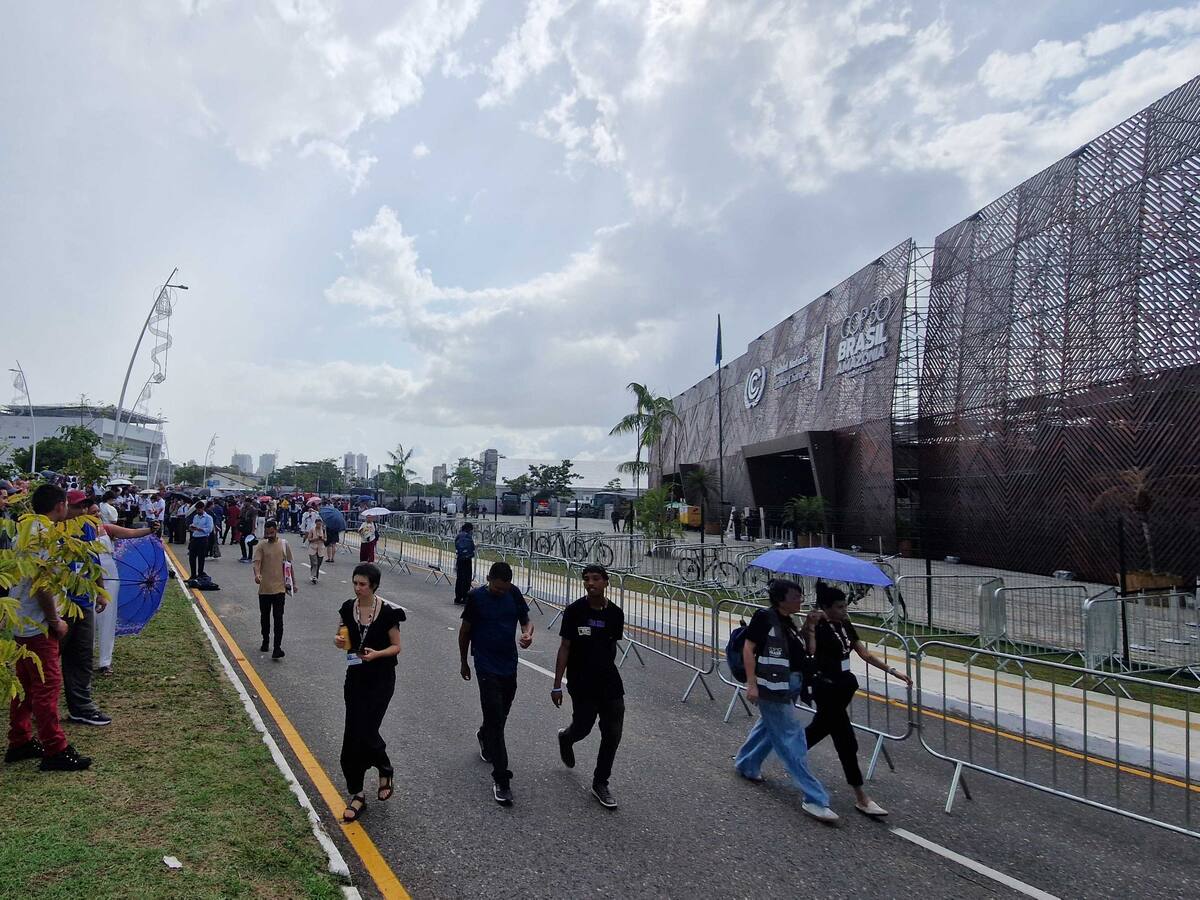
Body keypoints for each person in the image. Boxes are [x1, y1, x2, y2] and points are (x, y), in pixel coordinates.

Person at [733, 578, 837, 823]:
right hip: (771, 686)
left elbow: (807, 650)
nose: (800, 600)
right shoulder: (764, 617)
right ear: (781, 599)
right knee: (792, 739)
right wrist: (751, 684)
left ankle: (747, 763)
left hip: (790, 684)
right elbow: (749, 649)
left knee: (768, 730)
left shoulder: (789, 622)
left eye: (801, 596)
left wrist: (809, 626)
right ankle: (815, 798)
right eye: (796, 596)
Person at [804, 582, 911, 817]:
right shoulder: (816, 625)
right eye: (840, 607)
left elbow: (864, 653)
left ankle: (785, 750)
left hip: (843, 688)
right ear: (826, 607)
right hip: (826, 688)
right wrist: (811, 626)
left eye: (845, 606)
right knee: (846, 741)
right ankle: (861, 797)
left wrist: (893, 671)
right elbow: (810, 652)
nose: (845, 610)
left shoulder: (845, 625)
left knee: (815, 732)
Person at [5, 484, 92, 770]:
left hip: (22, 621)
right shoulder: (44, 535)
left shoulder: (24, 531)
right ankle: (55, 749)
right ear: (59, 506)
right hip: (38, 625)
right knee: (46, 687)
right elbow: (42, 585)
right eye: (67, 504)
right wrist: (55, 620)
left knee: (26, 686)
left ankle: (19, 740)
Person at [458, 561, 534, 805]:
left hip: (509, 663)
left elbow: (526, 619)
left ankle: (483, 734)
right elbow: (465, 631)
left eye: (504, 588)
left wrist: (527, 633)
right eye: (496, 588)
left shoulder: (513, 594)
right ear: (488, 579)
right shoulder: (476, 598)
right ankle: (501, 779)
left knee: (500, 716)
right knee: (496, 721)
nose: (500, 592)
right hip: (485, 664)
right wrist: (463, 662)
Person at [333, 563, 404, 822]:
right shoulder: (347, 608)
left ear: (374, 586)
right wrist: (339, 642)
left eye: (363, 584)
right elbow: (340, 638)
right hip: (355, 678)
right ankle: (357, 793)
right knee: (351, 735)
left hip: (381, 678)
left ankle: (385, 768)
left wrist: (377, 654)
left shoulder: (387, 613)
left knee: (367, 731)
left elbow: (397, 647)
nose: (358, 588)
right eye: (355, 583)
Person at [552, 564, 625, 809]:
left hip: (609, 681)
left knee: (613, 732)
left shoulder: (615, 613)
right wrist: (557, 685)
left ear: (606, 582)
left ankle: (600, 782)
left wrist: (603, 666)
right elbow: (565, 647)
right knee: (583, 728)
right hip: (581, 681)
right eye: (586, 579)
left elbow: (612, 645)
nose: (590, 583)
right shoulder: (574, 611)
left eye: (595, 579)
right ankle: (566, 738)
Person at [60, 490, 112, 727]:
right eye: (77, 507)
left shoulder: (87, 527)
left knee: (81, 658)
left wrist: (100, 592)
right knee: (49, 661)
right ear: (63, 508)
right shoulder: (53, 532)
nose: (82, 511)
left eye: (85, 507)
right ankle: (38, 710)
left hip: (84, 601)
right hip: (60, 605)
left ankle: (81, 707)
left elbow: (93, 560)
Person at [89, 501, 154, 676]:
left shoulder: (106, 529)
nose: (97, 515)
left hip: (110, 579)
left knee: (107, 619)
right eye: (92, 512)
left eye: (97, 512)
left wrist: (151, 529)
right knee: (89, 620)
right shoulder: (77, 533)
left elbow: (131, 533)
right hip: (89, 579)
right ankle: (85, 659)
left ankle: (105, 662)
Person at [253, 519, 296, 659]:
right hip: (265, 589)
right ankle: (265, 641)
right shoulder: (261, 545)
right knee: (264, 617)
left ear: (276, 530)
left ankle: (277, 648)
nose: (269, 535)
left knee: (278, 619)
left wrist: (293, 583)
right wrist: (257, 574)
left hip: (279, 589)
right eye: (267, 533)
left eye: (271, 532)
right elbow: (257, 562)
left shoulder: (284, 545)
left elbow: (289, 565)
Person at [186, 500, 214, 584]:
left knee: (201, 558)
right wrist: (191, 527)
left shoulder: (208, 518)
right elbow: (193, 525)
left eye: (199, 510)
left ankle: (200, 574)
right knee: (192, 557)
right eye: (197, 510)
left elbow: (209, 529)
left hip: (203, 538)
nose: (198, 511)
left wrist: (199, 529)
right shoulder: (195, 517)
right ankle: (193, 574)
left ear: (203, 509)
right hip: (195, 538)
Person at [304, 505, 327, 585]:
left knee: (318, 564)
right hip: (313, 548)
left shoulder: (323, 530)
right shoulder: (312, 530)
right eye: (317, 524)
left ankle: (315, 576)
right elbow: (309, 539)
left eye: (320, 524)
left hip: (321, 548)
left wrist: (322, 539)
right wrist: (315, 539)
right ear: (315, 524)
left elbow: (325, 540)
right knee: (314, 563)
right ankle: (313, 576)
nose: (319, 525)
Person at [453, 522, 475, 605]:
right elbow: (472, 547)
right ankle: (465, 597)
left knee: (459, 578)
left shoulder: (459, 535)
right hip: (467, 559)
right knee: (467, 579)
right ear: (469, 529)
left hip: (460, 559)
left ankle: (457, 598)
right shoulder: (468, 536)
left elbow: (456, 546)